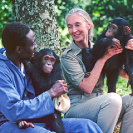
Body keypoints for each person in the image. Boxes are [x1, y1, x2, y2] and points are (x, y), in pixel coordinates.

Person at [0, 22, 103, 133]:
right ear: (19, 49)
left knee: (87, 126)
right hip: (8, 124)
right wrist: (51, 92)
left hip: (33, 118)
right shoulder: (2, 71)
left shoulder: (26, 61)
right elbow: (13, 111)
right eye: (32, 44)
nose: (36, 46)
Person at [61, 8, 133, 133]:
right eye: (70, 26)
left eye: (77, 25)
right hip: (78, 108)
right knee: (113, 99)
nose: (74, 30)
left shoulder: (100, 45)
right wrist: (103, 58)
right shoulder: (68, 55)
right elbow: (87, 88)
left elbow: (123, 73)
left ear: (88, 25)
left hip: (104, 104)